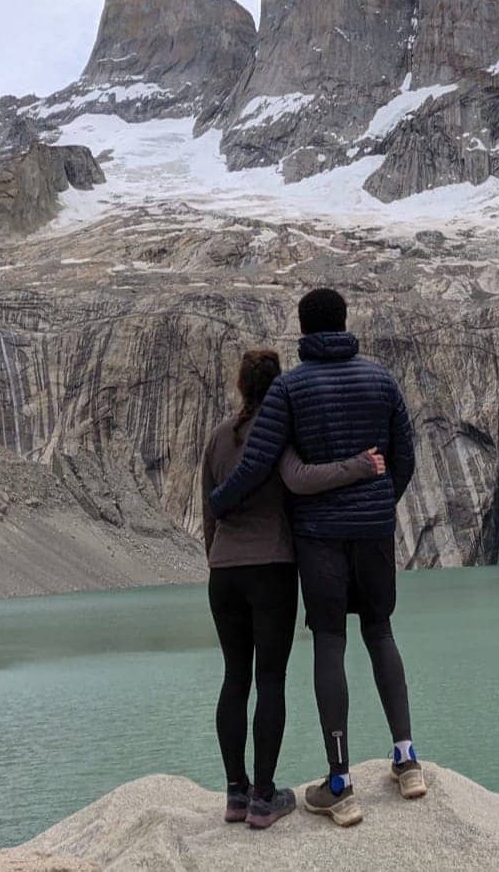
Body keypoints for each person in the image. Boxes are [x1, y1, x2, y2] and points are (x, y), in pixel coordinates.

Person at [207, 288, 423, 829]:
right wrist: (377, 503)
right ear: (345, 322)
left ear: (303, 331)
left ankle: (340, 783)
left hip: (319, 537)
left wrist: (220, 502)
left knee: (330, 640)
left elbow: (259, 461)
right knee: (380, 630)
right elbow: (405, 457)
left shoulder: (293, 388)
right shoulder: (381, 379)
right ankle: (406, 759)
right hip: (372, 532)